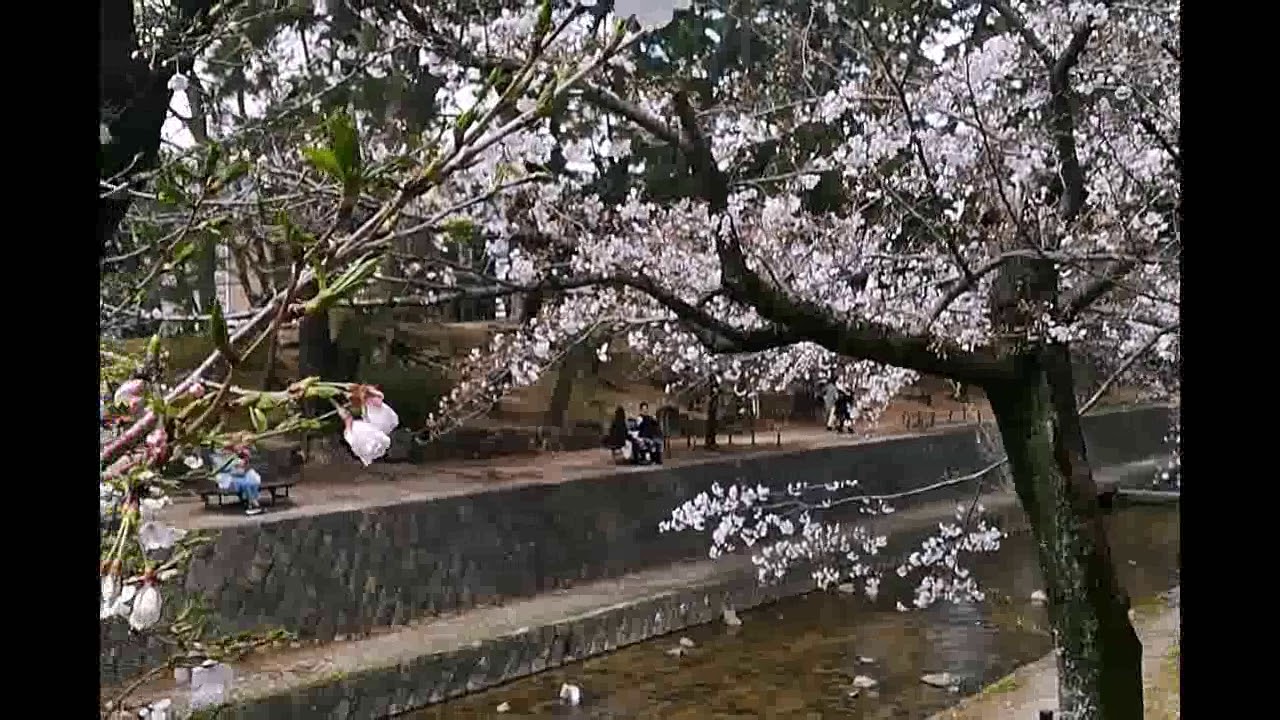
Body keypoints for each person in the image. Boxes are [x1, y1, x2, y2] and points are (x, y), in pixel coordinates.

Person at [212, 449, 264, 515]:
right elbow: (222, 469)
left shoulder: (233, 457)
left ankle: (251, 505)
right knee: (246, 484)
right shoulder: (217, 458)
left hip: (237, 477)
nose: (226, 452)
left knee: (251, 482)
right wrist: (233, 465)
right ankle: (254, 504)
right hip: (227, 479)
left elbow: (240, 469)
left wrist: (241, 464)